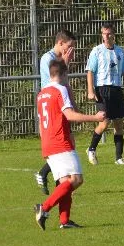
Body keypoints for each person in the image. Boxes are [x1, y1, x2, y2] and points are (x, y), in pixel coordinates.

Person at [34, 59, 106, 230]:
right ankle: (44, 207)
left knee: (65, 182)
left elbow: (42, 122)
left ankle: (64, 221)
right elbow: (70, 115)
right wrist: (95, 118)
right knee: (76, 179)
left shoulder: (42, 94)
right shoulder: (61, 90)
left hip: (48, 142)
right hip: (60, 142)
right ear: (64, 74)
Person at [85, 22, 124, 165]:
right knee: (104, 122)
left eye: (108, 34)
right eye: (104, 33)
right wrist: (90, 90)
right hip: (102, 90)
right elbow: (90, 71)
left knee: (119, 124)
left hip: (116, 89)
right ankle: (91, 149)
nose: (106, 36)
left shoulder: (120, 52)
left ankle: (119, 157)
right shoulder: (97, 51)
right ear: (101, 35)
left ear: (113, 35)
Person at [35, 30, 76, 195]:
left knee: (69, 144)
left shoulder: (60, 60)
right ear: (60, 43)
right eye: (69, 46)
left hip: (61, 105)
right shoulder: (48, 59)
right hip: (52, 108)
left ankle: (57, 181)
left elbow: (65, 84)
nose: (71, 50)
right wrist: (65, 63)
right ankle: (57, 181)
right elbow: (53, 85)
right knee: (61, 147)